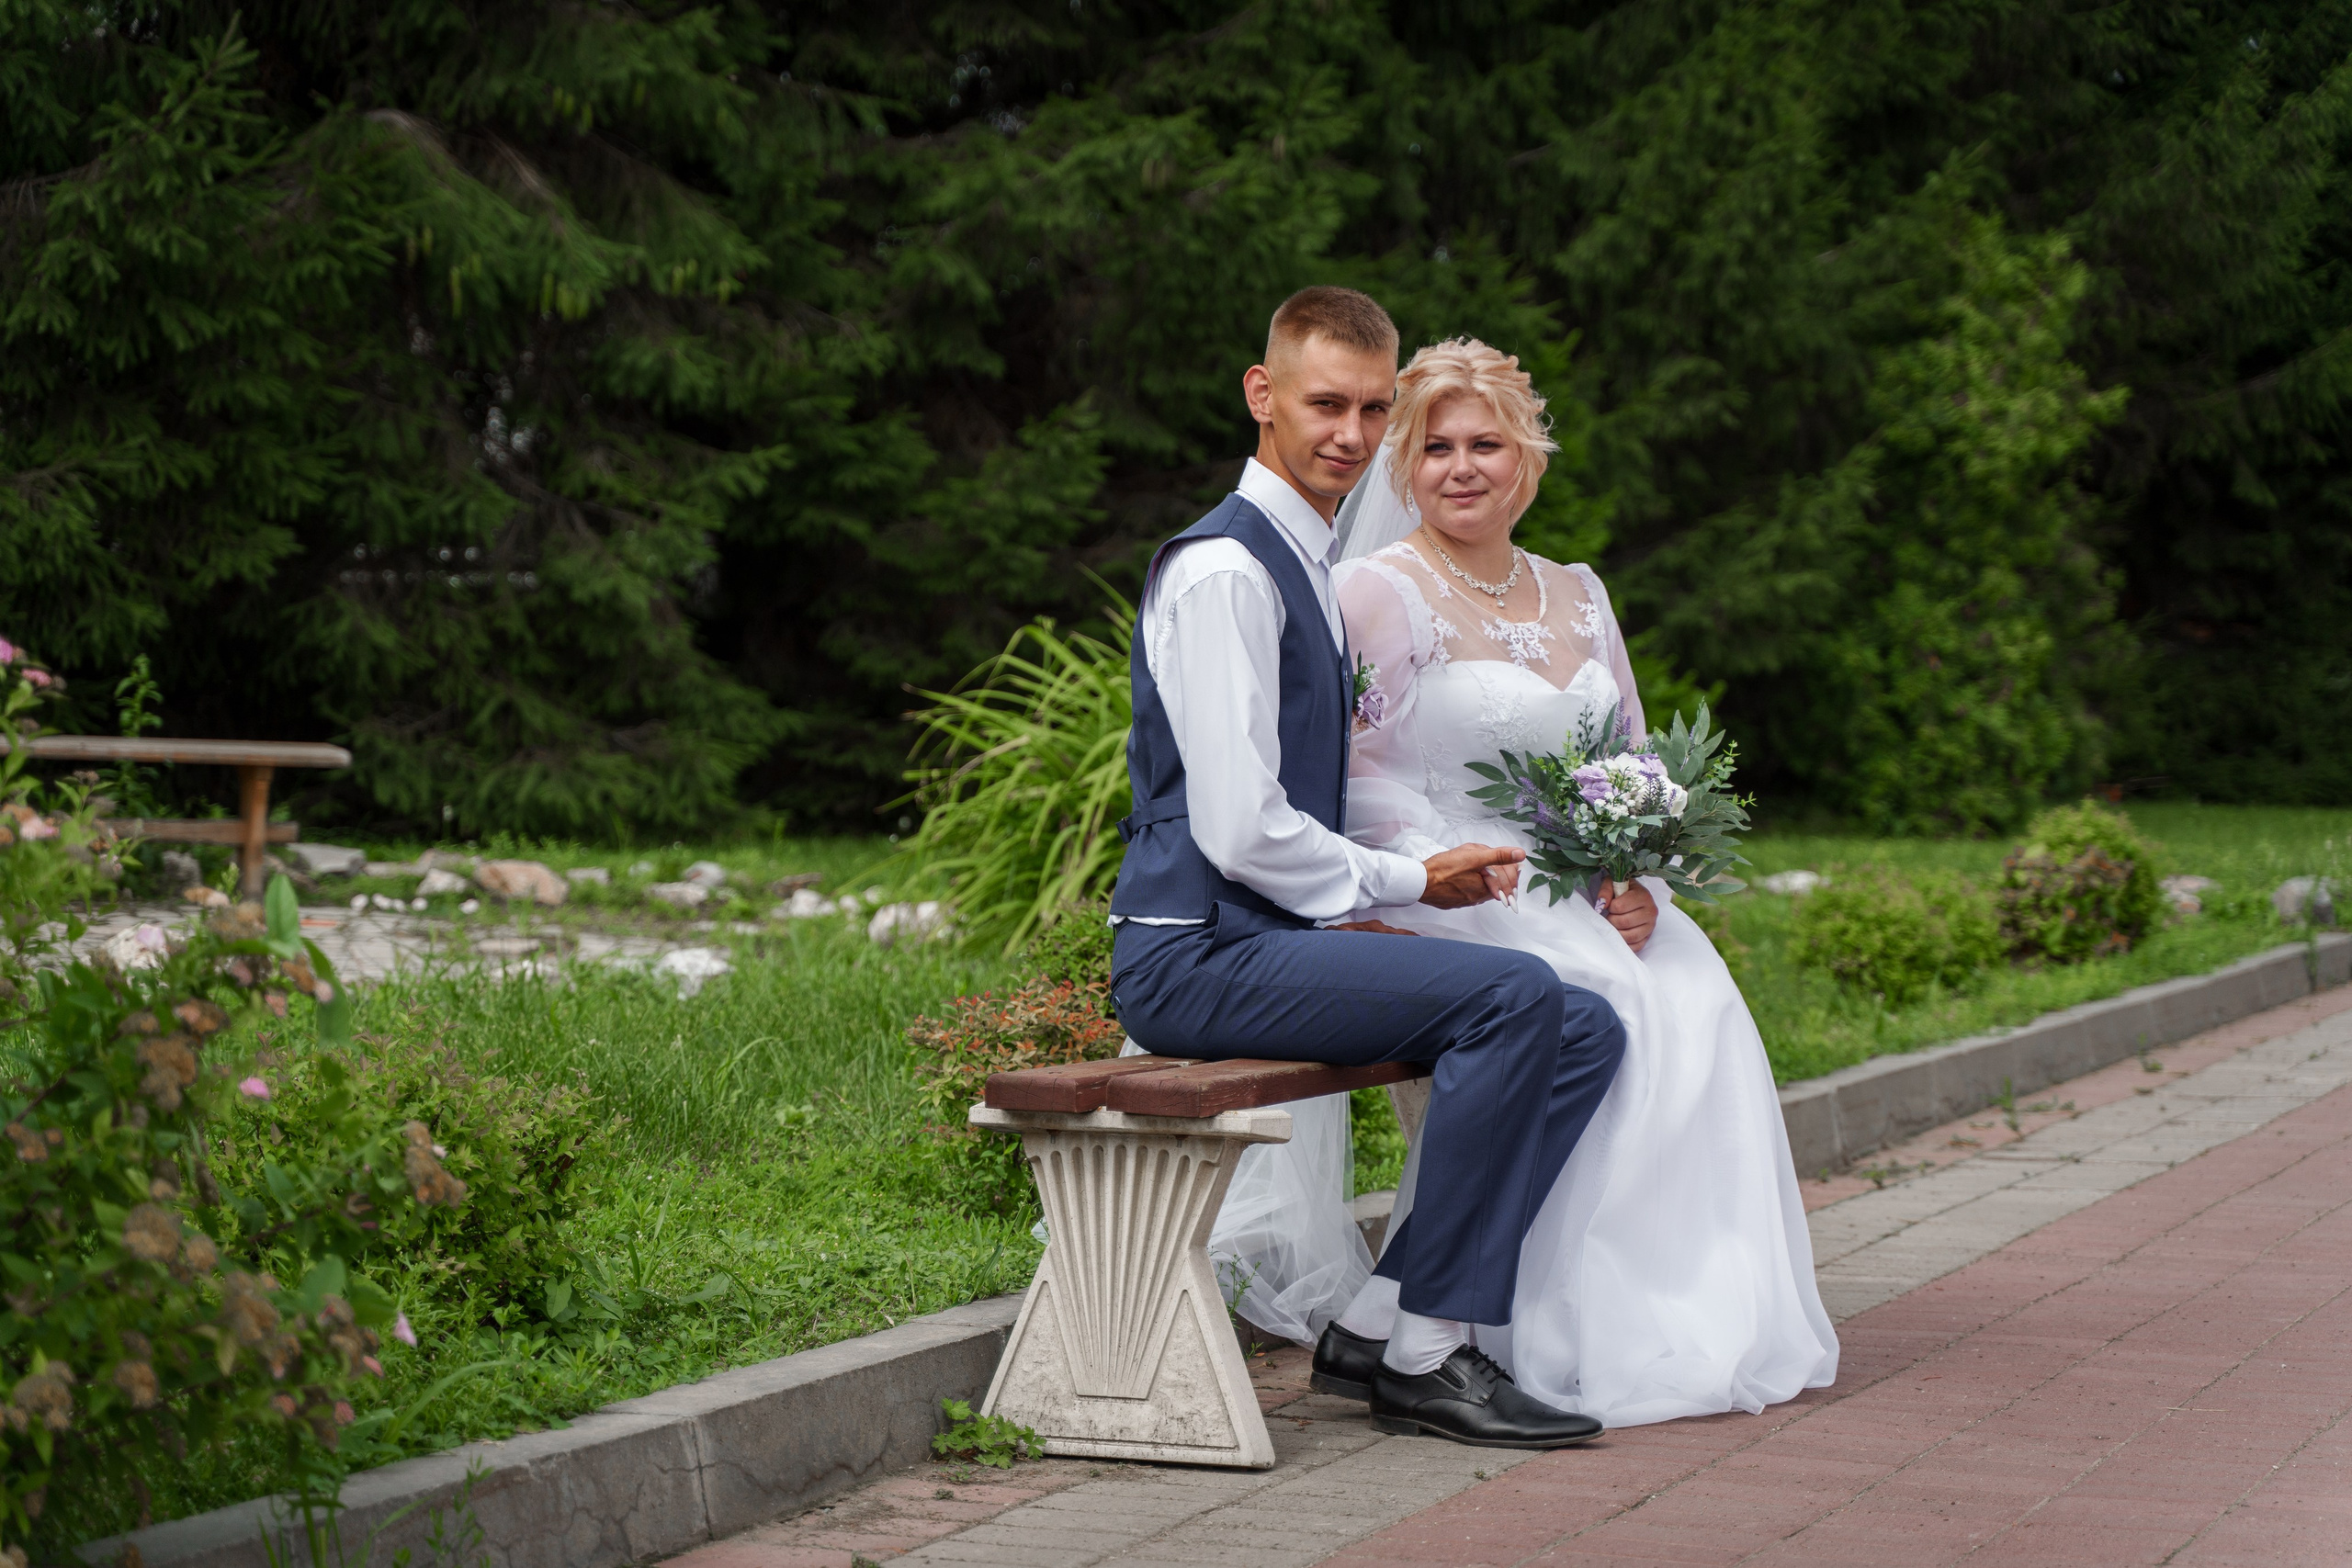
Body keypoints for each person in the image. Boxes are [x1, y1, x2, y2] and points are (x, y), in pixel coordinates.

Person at [1107, 287, 1629, 1450]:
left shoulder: (1309, 562)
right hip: (1192, 953)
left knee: (1584, 1025)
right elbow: (1239, 829)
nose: (1347, 434)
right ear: (1263, 396)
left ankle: (1382, 1320)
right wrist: (1409, 886)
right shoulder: (1225, 571)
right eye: (1322, 404)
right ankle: (1431, 1355)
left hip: (1270, 940)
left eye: (1368, 408)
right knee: (1515, 998)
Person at [1299, 337, 1839, 1427]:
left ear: (1527, 462)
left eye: (1485, 444)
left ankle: (1405, 1317)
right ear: (1404, 466)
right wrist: (1452, 867)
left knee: (1699, 1001)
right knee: (1607, 1017)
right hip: (1441, 884)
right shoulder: (1375, 591)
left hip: (1578, 881)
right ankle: (1453, 1334)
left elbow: (1630, 758)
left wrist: (1632, 868)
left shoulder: (1579, 593)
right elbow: (1341, 782)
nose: (1461, 466)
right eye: (1436, 446)